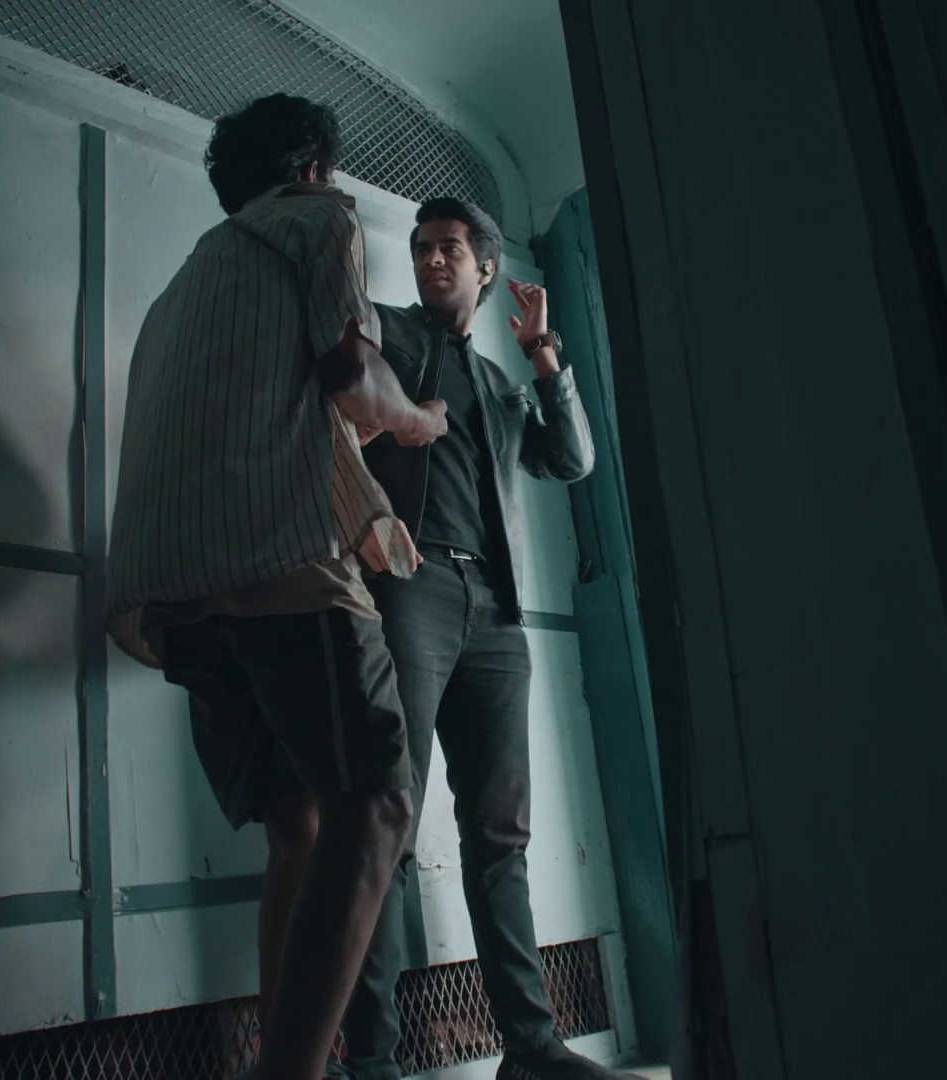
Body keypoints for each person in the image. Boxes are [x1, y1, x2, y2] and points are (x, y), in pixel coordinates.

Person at [106, 93, 446, 1080]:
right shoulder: (318, 218)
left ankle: (294, 1064)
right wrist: (420, 419)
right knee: (378, 807)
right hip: (278, 565)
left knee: (298, 828)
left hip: (173, 596)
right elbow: (352, 378)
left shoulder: (180, 291)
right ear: (313, 171)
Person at [341, 197, 638, 1080]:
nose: (432, 259)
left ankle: (532, 1047)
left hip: (496, 611)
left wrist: (544, 356)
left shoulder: (503, 386)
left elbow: (571, 459)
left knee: (500, 835)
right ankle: (372, 1060)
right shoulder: (387, 334)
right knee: (386, 824)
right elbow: (340, 380)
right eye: (421, 247)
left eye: (450, 249)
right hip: (410, 587)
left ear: (485, 268)